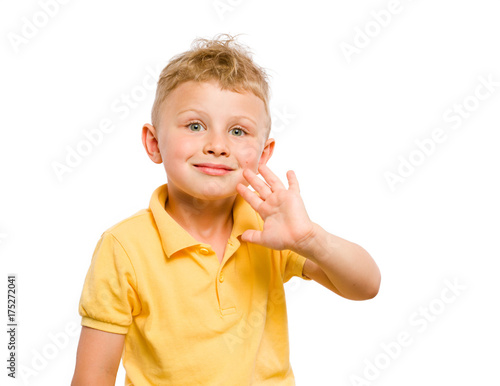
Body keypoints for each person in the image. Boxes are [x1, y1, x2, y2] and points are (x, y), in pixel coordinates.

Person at [71, 33, 381, 386]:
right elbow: (93, 375)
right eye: (195, 126)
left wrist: (310, 239)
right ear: (154, 143)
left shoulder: (270, 230)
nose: (217, 146)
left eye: (238, 131)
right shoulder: (124, 247)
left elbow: (366, 286)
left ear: (263, 154)